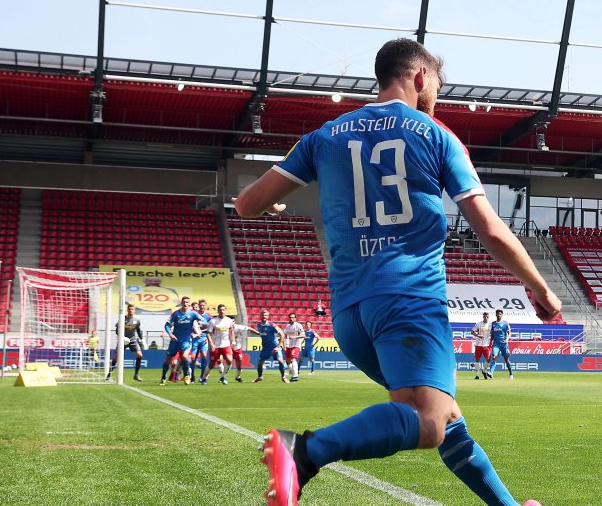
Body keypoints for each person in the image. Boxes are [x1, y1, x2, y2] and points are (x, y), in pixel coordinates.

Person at [235, 38, 559, 506]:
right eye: (438, 86)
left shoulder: (325, 136)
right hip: (408, 300)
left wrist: (273, 207)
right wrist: (540, 287)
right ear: (421, 77)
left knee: (445, 418)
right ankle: (304, 451)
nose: (437, 97)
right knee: (426, 423)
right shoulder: (437, 135)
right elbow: (488, 228)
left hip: (350, 314)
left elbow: (246, 205)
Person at [160, 297, 202, 386]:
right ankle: (163, 377)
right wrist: (171, 335)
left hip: (186, 341)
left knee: (185, 357)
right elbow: (167, 326)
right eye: (184, 302)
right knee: (168, 361)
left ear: (189, 304)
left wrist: (201, 323)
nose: (185, 304)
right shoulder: (176, 314)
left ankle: (187, 375)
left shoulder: (193, 314)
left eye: (187, 302)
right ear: (181, 303)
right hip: (175, 341)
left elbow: (204, 321)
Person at [108, 303, 145, 381]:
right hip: (123, 340)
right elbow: (117, 330)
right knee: (116, 357)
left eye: (132, 309)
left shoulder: (137, 320)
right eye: (129, 309)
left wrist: (142, 339)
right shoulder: (122, 319)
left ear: (134, 310)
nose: (131, 310)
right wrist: (122, 337)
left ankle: (136, 375)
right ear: (127, 310)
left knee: (139, 355)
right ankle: (109, 373)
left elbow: (138, 330)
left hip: (132, 339)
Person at [205, 303, 236, 385]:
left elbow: (231, 331)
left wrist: (233, 341)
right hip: (216, 345)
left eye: (223, 310)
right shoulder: (213, 321)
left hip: (226, 345)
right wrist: (211, 343)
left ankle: (223, 377)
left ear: (225, 311)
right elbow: (208, 333)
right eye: (220, 310)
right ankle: (204, 378)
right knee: (211, 364)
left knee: (229, 360)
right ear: (218, 311)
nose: (222, 311)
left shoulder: (229, 320)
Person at [254, 309, 288, 384]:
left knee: (280, 361)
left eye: (265, 315)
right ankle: (260, 377)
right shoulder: (258, 325)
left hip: (274, 346)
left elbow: (282, 335)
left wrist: (278, 346)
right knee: (260, 362)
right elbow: (262, 334)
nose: (264, 316)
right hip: (265, 348)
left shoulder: (272, 325)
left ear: (268, 316)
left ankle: (283, 377)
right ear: (260, 316)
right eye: (262, 315)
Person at [488, 309, 514, 380]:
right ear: (496, 315)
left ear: (502, 315)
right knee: (494, 357)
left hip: (504, 344)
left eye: (500, 314)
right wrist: (491, 341)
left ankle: (511, 373)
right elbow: (492, 334)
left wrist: (507, 339)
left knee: (507, 360)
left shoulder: (505, 323)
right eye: (497, 314)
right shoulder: (493, 324)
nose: (499, 315)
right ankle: (491, 373)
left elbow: (509, 332)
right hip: (496, 344)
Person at [192, 299, 213, 384]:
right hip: (194, 339)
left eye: (203, 305)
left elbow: (210, 328)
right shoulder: (194, 315)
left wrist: (208, 338)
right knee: (193, 358)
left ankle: (202, 377)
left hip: (204, 338)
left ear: (206, 306)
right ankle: (192, 377)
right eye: (200, 305)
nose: (202, 307)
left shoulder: (208, 316)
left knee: (204, 356)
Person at [282, 312, 306, 383]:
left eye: (293, 317)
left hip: (296, 345)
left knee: (293, 359)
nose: (291, 319)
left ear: (295, 318)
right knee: (287, 360)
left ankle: (295, 376)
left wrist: (295, 337)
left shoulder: (298, 325)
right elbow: (284, 334)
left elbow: (303, 335)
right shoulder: (288, 326)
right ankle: (292, 372)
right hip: (288, 345)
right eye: (290, 317)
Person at [472, 311, 493, 380]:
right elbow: (472, 331)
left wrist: (492, 340)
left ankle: (484, 370)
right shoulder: (478, 324)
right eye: (485, 316)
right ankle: (477, 375)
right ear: (483, 317)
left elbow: (493, 334)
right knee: (477, 359)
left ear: (488, 317)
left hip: (486, 345)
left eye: (487, 316)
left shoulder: (491, 325)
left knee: (488, 359)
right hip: (478, 344)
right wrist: (478, 335)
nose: (486, 318)